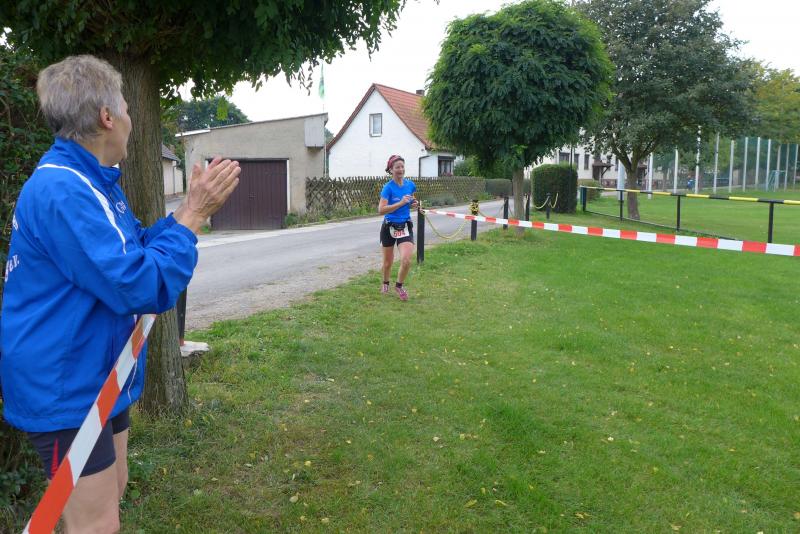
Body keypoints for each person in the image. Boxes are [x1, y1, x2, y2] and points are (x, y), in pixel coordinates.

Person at [0, 55, 240, 533]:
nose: (131, 117)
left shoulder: (93, 182)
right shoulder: (64, 189)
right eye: (127, 106)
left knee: (112, 491)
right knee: (96, 524)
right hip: (66, 385)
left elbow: (133, 252)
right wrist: (194, 216)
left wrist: (184, 216)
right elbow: (139, 284)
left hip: (99, 374)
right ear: (107, 116)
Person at [378, 155, 418, 301]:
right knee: (387, 263)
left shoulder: (410, 185)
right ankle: (385, 282)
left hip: (405, 226)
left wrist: (414, 203)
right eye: (397, 167)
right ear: (391, 170)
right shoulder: (388, 188)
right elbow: (381, 210)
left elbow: (411, 199)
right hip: (389, 227)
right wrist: (400, 203)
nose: (400, 169)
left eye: (402, 166)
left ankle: (399, 286)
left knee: (406, 260)